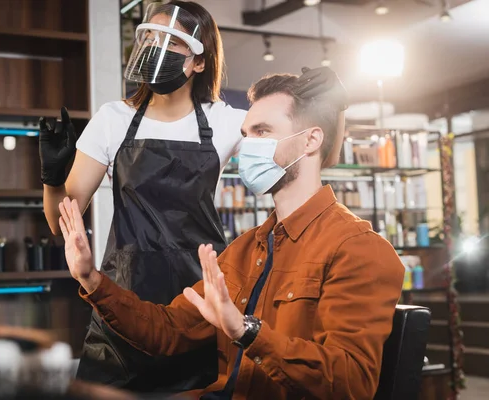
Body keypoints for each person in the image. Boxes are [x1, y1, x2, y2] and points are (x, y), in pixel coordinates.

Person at [57, 67, 406, 400]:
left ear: (311, 140)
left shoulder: (358, 250)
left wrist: (246, 331)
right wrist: (91, 280)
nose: (247, 148)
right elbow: (168, 331)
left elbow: (351, 384)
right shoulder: (244, 250)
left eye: (262, 132)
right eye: (246, 134)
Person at [37, 0, 248, 392]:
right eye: (150, 36)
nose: (155, 47)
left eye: (171, 41)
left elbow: (287, 142)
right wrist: (52, 178)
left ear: (200, 61)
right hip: (121, 299)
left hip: (196, 305)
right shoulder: (112, 118)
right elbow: (59, 220)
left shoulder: (225, 122)